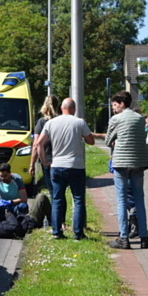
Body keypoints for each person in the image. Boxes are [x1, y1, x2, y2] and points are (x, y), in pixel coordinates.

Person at [35, 98, 95, 240]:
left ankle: (57, 232)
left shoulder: (50, 123)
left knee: (57, 199)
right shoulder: (79, 122)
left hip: (56, 165)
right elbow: (91, 141)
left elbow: (38, 144)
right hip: (76, 166)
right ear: (73, 109)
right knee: (79, 199)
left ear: (61, 108)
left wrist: (44, 162)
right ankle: (78, 233)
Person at [106, 91, 148, 250]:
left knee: (121, 200)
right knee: (139, 199)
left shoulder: (116, 119)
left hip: (121, 162)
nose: (113, 109)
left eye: (114, 105)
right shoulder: (140, 118)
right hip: (138, 162)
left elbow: (108, 140)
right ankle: (144, 238)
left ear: (121, 104)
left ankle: (123, 238)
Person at [29, 94, 60, 195]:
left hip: (47, 160)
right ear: (57, 105)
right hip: (61, 159)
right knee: (60, 190)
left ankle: (55, 210)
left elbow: (36, 145)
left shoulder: (42, 122)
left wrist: (32, 165)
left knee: (52, 191)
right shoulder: (61, 120)